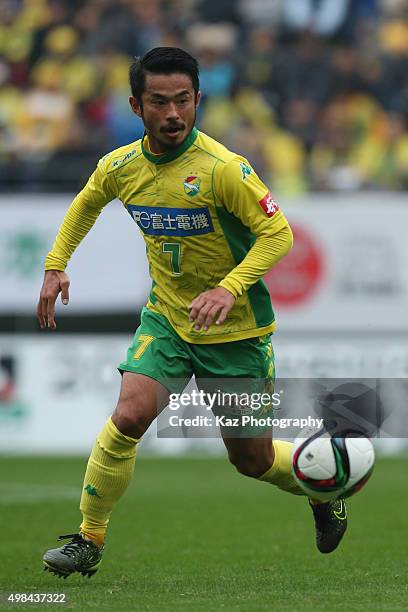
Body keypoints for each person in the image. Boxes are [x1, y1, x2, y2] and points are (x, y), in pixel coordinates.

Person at [38, 47, 347, 579]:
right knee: (129, 416)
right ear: (136, 105)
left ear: (198, 99)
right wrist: (55, 263)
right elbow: (87, 201)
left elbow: (279, 234)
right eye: (160, 102)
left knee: (250, 459)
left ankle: (323, 486)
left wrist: (230, 287)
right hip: (168, 320)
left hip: (237, 334)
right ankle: (89, 538)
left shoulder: (223, 169)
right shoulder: (119, 167)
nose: (174, 113)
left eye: (184, 100)